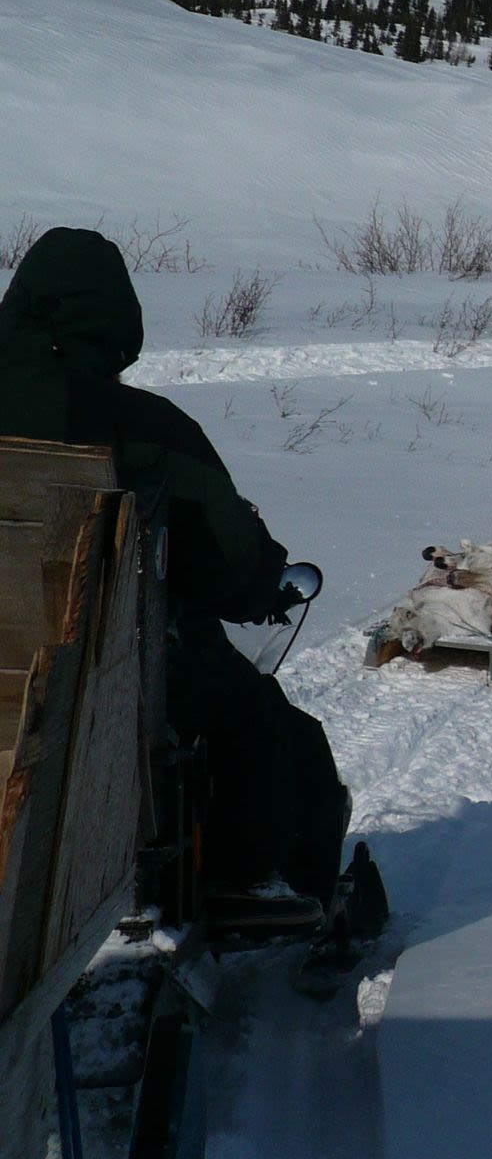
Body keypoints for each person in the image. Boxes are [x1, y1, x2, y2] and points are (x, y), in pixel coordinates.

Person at [0, 228, 351, 929]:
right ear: (117, 321)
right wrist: (261, 583)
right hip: (88, 671)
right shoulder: (141, 425)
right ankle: (253, 881)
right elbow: (227, 557)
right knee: (262, 721)